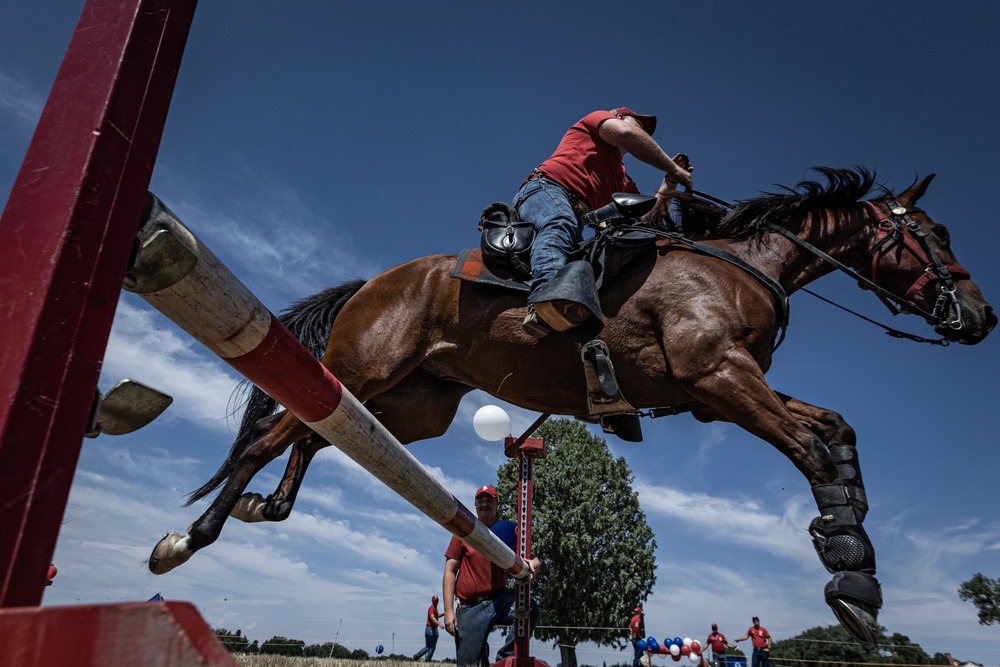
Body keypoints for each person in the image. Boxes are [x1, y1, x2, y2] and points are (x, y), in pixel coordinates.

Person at [514, 107, 693, 337]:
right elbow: (627, 134)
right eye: (637, 122)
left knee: (579, 260)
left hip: (574, 216)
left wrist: (669, 183)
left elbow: (643, 219)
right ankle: (545, 301)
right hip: (546, 189)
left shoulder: (622, 178)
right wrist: (672, 166)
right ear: (617, 116)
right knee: (559, 223)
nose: (642, 130)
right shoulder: (596, 120)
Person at [442, 484, 541, 667]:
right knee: (469, 664)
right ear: (475, 505)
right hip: (470, 607)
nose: (485, 505)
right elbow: (449, 571)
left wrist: (535, 565)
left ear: (498, 504)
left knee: (528, 607)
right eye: (481, 501)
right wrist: (448, 610)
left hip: (497, 601)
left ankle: (505, 659)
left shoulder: (505, 532)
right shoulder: (464, 531)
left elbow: (531, 558)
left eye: (489, 501)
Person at [413, 594, 444, 661]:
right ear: (432, 601)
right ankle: (427, 662)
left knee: (428, 647)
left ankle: (417, 656)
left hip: (428, 629)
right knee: (432, 647)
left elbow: (436, 615)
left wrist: (444, 614)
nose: (436, 602)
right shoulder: (432, 608)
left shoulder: (434, 608)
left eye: (437, 601)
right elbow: (432, 617)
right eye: (435, 601)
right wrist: (439, 624)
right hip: (432, 629)